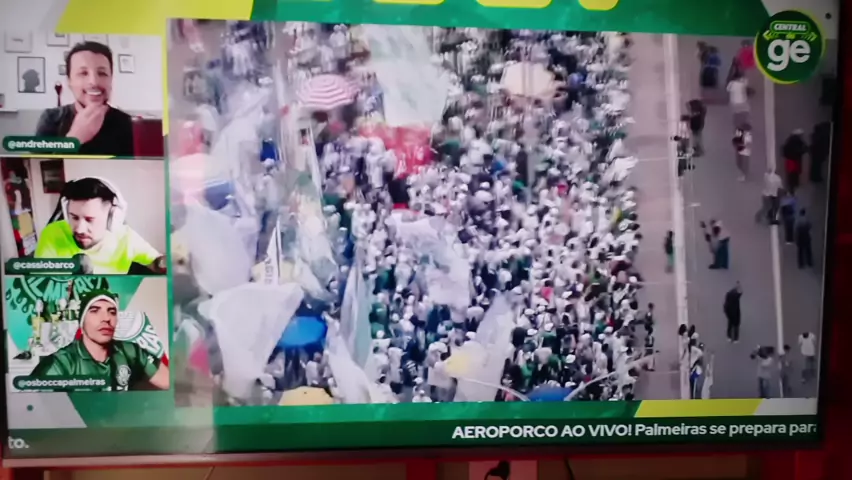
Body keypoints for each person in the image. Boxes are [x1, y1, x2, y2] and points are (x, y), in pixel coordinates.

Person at [29, 289, 170, 391]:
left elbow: (170, 382)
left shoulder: (130, 351)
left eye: (112, 312)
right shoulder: (60, 364)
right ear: (82, 323)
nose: (106, 318)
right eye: (95, 311)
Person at [34, 177, 166, 275]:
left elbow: (157, 263)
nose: (79, 229)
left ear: (112, 218)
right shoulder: (52, 233)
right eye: (74, 217)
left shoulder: (126, 237)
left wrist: (169, 263)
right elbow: (42, 282)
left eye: (89, 219)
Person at [35, 41, 134, 156]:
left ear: (111, 79)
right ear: (69, 81)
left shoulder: (129, 124)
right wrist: (74, 140)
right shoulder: (51, 119)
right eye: (83, 73)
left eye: (102, 73)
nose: (94, 82)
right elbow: (39, 165)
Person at [781, 130, 808, 195]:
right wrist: (803, 151)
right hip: (794, 160)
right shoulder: (797, 142)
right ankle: (792, 188)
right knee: (794, 174)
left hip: (790, 160)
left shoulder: (789, 141)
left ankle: (791, 187)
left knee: (791, 174)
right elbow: (804, 148)